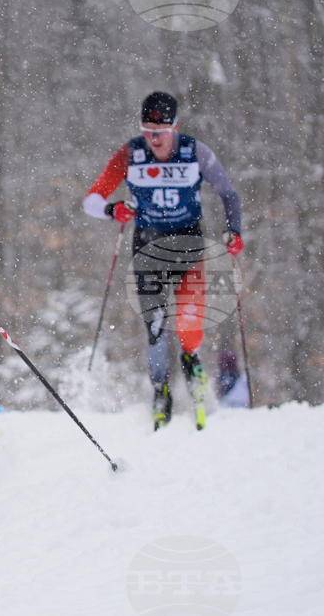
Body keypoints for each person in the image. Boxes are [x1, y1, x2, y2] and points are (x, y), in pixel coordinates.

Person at [83, 91, 243, 431]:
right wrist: (114, 210)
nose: (154, 138)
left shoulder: (195, 152)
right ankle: (161, 392)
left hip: (189, 247)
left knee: (187, 324)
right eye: (148, 130)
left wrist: (234, 231)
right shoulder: (131, 154)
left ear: (175, 127)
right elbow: (91, 200)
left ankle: (192, 361)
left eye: (162, 131)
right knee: (155, 328)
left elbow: (228, 193)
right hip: (148, 249)